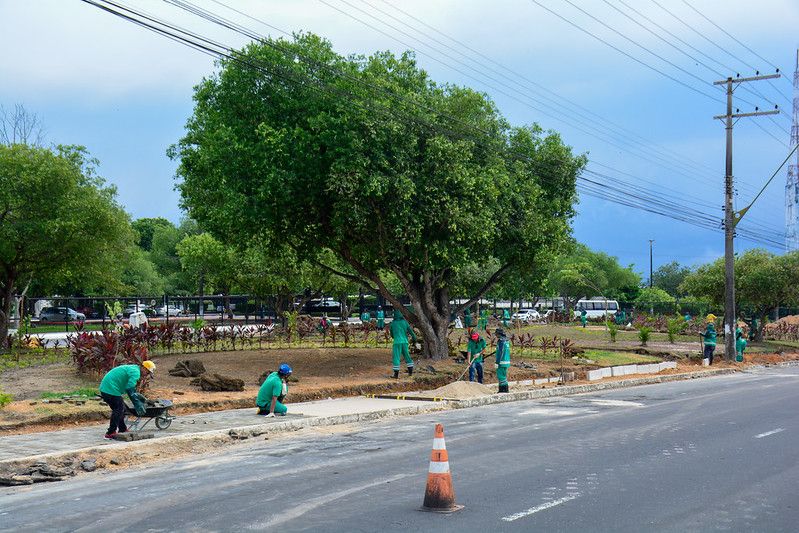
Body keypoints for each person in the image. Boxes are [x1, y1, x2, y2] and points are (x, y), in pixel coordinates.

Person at [99, 360, 155, 439]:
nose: (147, 375)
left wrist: (136, 395)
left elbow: (130, 388)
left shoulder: (134, 368)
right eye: (148, 372)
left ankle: (122, 429)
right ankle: (110, 432)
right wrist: (136, 403)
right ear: (144, 368)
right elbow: (129, 388)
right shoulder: (136, 372)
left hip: (107, 388)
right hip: (110, 389)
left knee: (121, 409)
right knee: (118, 409)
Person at [389, 309, 417, 378]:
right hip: (405, 342)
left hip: (397, 342)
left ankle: (396, 375)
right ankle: (410, 373)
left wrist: (395, 337)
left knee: (396, 357)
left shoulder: (393, 323)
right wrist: (415, 339)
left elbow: (391, 334)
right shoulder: (405, 322)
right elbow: (411, 331)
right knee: (407, 356)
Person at [494, 328, 511, 393]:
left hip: (501, 362)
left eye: (496, 334)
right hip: (506, 361)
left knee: (500, 376)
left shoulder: (501, 341)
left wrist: (497, 362)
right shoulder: (506, 341)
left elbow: (500, 352)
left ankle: (503, 390)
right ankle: (505, 389)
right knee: (503, 376)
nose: (496, 335)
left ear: (499, 334)